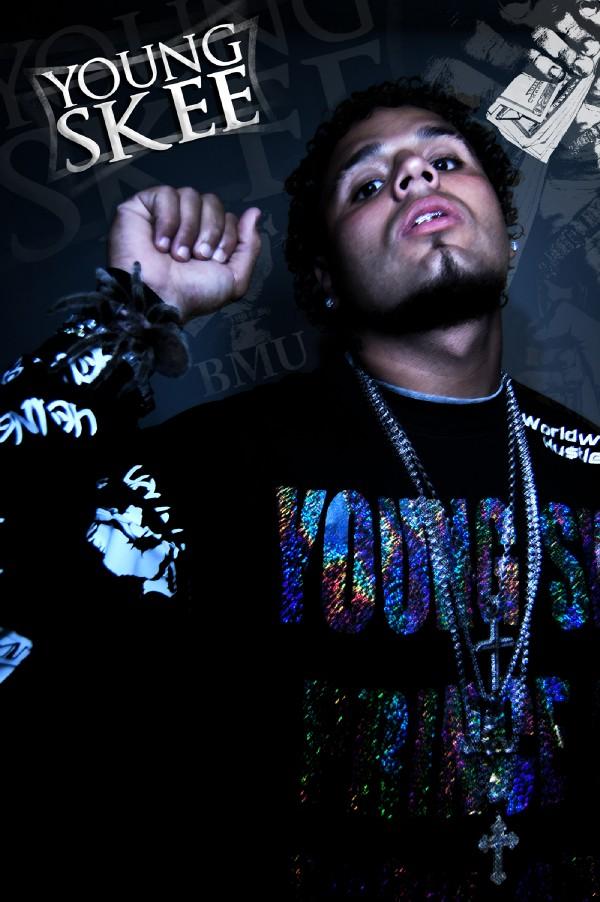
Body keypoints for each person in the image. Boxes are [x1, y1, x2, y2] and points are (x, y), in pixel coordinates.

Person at [1, 77, 599, 898]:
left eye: (444, 160)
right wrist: (133, 315)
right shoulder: (223, 463)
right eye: (369, 184)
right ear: (324, 277)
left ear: (509, 228)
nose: (415, 176)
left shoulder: (591, 464)